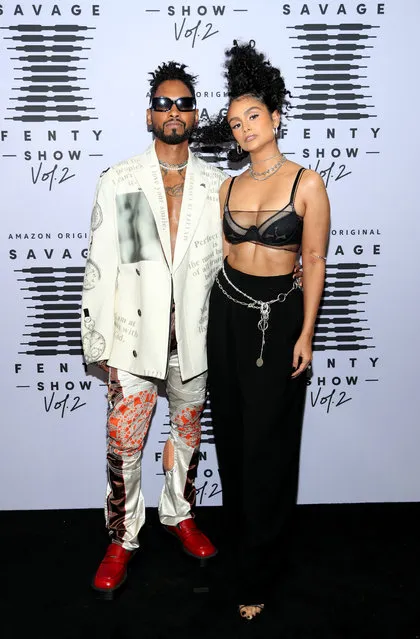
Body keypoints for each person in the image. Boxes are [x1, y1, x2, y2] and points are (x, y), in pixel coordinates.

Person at [81, 61, 228, 599]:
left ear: (194, 114)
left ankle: (180, 514)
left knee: (186, 436)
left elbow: (230, 260)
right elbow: (103, 269)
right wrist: (98, 345)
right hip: (131, 340)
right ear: (149, 115)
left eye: (183, 104)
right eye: (164, 104)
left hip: (195, 338)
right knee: (125, 446)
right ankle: (123, 537)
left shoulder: (217, 185)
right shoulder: (121, 181)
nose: (173, 112)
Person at [203, 41, 331, 621]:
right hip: (227, 313)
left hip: (278, 318)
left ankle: (262, 564)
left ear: (276, 116)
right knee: (230, 437)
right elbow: (215, 256)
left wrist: (306, 333)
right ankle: (239, 547)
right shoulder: (227, 187)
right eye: (235, 122)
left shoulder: (307, 183)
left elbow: (314, 260)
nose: (245, 127)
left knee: (269, 443)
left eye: (253, 115)